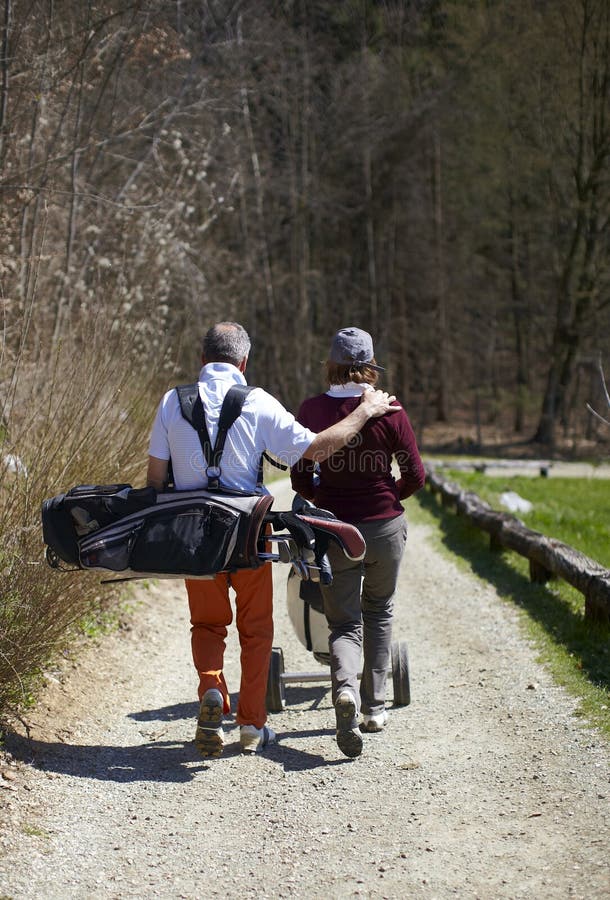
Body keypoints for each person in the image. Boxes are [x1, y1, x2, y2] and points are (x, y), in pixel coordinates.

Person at [146, 321, 399, 758]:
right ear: (244, 362)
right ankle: (251, 726)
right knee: (256, 631)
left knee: (207, 625)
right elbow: (315, 449)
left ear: (202, 360)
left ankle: (211, 689)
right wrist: (364, 412)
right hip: (247, 533)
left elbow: (154, 480)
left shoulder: (173, 401)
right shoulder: (258, 402)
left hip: (192, 537)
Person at [291, 326, 425, 758]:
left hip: (335, 531)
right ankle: (374, 707)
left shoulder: (311, 409)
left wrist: (322, 501)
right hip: (384, 528)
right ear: (370, 365)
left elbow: (299, 475)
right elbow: (416, 476)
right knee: (379, 611)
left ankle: (344, 692)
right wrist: (388, 501)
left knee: (344, 623)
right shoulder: (390, 409)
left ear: (331, 364)